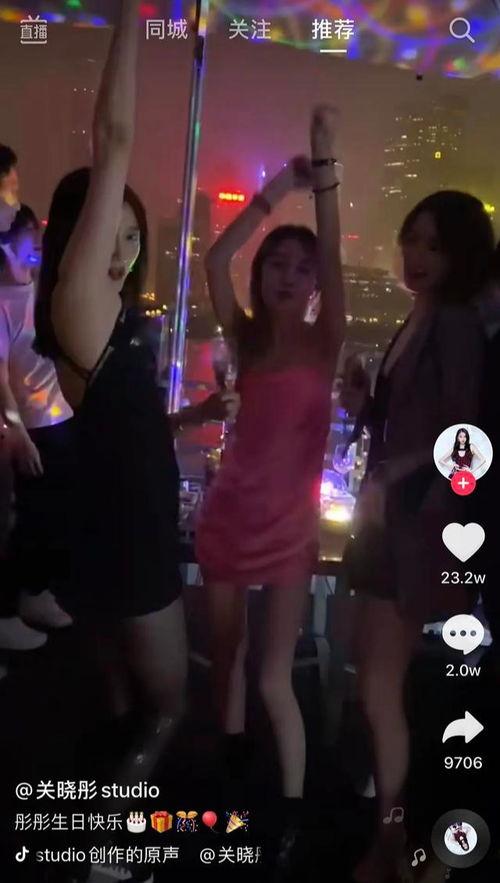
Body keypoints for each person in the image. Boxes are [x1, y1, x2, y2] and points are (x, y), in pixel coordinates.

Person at [32, 0, 238, 803]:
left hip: (107, 529)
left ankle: (92, 803)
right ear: (70, 239)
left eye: (130, 235)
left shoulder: (100, 319)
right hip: (131, 541)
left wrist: (190, 419)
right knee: (168, 706)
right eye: (102, 234)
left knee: (117, 696)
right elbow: (113, 137)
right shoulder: (81, 302)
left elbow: (119, 426)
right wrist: (129, 17)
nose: (119, 253)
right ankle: (111, 834)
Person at [195, 107, 345, 864]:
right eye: (277, 264)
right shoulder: (247, 338)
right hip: (230, 516)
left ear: (317, 286)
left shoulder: (326, 341)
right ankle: (228, 777)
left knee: (273, 676)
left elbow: (334, 250)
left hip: (288, 531)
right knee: (226, 656)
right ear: (263, 276)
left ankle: (289, 810)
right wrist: (275, 192)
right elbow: (214, 260)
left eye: (302, 268)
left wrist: (325, 171)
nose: (289, 274)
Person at [342, 191, 494, 883]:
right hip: (388, 519)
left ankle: (394, 842)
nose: (417, 255)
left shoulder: (455, 323)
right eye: (412, 238)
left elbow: (464, 431)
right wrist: (363, 403)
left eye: (435, 245)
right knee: (377, 685)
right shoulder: (422, 314)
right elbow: (410, 417)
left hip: (413, 527)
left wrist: (393, 474)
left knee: (381, 689)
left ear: (462, 256)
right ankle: (396, 837)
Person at [0, 204, 75, 633]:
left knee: (57, 511)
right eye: (28, 232)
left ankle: (40, 591)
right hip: (33, 427)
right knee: (33, 518)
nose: (37, 240)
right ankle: (22, 599)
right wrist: (20, 436)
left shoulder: (42, 288)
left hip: (61, 416)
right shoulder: (3, 302)